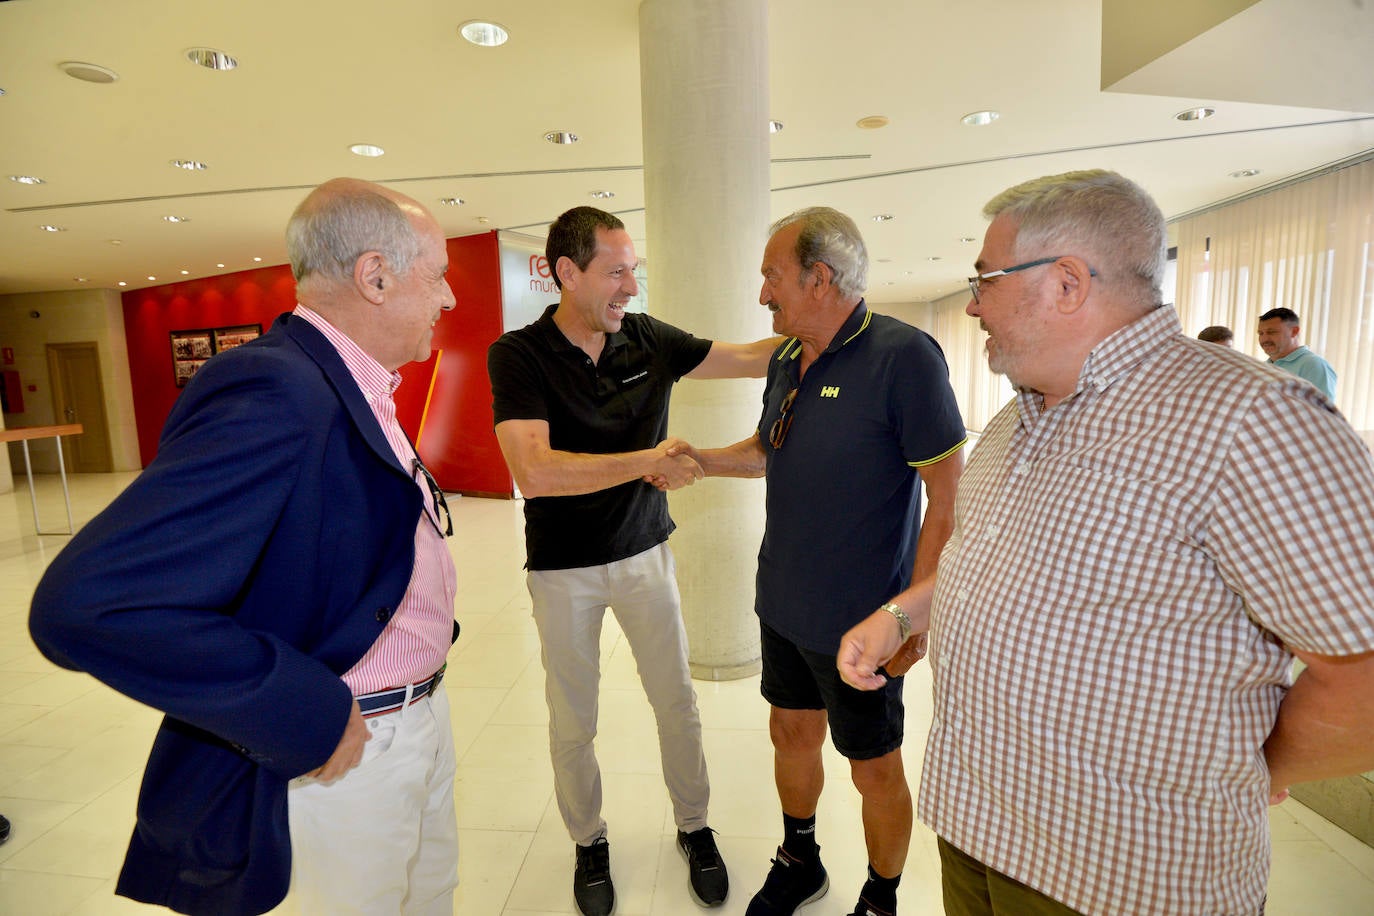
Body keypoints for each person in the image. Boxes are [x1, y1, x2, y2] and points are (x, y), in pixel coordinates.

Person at [838, 169, 1374, 916]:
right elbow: (983, 562)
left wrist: (1254, 765)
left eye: (986, 279)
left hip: (1120, 874)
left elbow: (1362, 670)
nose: (973, 304)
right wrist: (902, 614)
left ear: (1066, 283)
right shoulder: (1017, 416)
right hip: (976, 828)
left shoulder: (1252, 422)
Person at [29, 178, 462, 915]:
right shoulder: (275, 387)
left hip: (417, 718)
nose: (448, 298)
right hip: (345, 754)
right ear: (376, 276)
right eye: (439, 275)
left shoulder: (359, 385)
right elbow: (89, 605)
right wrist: (304, 710)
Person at [486, 206, 779, 916]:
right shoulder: (518, 354)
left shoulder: (647, 338)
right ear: (567, 272)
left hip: (645, 556)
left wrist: (837, 326)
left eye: (633, 269)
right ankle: (588, 841)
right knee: (572, 720)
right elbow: (537, 472)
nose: (630, 284)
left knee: (676, 702)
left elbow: (748, 356)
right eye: (616, 271)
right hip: (563, 570)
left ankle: (695, 827)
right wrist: (649, 460)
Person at [681, 207, 965, 916]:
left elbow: (948, 495)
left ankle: (881, 896)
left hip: (863, 621)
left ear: (819, 277)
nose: (762, 294)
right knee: (791, 732)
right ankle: (799, 859)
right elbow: (766, 449)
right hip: (783, 603)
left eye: (771, 277)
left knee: (872, 767)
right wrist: (699, 460)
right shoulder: (787, 358)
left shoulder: (904, 357)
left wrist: (913, 616)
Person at [1256, 306, 1337, 399]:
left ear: (1294, 331)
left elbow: (1321, 407)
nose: (1264, 339)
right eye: (1261, 333)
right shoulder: (1262, 367)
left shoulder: (1314, 365)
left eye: (1272, 332)